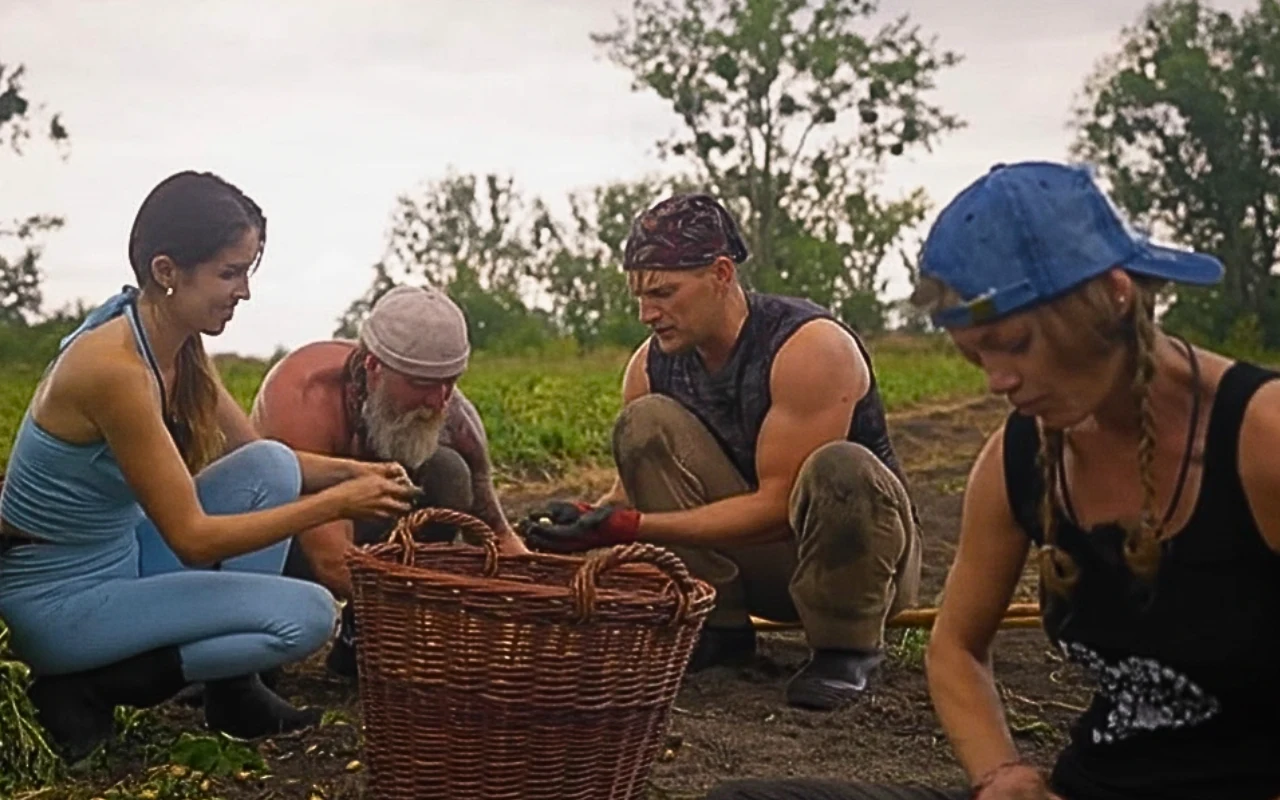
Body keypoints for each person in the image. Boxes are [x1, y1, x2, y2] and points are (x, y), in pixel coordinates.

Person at [707, 161, 1280, 799]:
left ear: (1114, 295)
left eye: (1014, 343)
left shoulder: (1260, 440)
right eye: (977, 354)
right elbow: (954, 648)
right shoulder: (1018, 457)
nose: (996, 379)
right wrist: (1001, 775)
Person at [0, 171, 418, 764]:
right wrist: (337, 506)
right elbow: (194, 539)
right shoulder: (115, 370)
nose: (243, 291)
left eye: (247, 271)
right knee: (307, 617)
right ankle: (83, 685)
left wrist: (352, 473)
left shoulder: (172, 337)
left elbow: (258, 457)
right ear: (167, 271)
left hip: (121, 557)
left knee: (266, 464)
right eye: (230, 272)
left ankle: (233, 690)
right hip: (61, 601)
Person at [520, 193, 922, 712]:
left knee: (840, 468)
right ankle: (718, 625)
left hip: (863, 566)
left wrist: (631, 529)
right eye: (639, 297)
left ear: (721, 273)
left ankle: (846, 646)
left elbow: (779, 510)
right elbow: (630, 494)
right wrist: (586, 519)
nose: (647, 313)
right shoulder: (650, 367)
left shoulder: (808, 346)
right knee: (643, 424)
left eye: (663, 293)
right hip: (764, 570)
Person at [249, 283, 527, 678]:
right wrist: (433, 613)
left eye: (450, 381)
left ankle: (363, 638)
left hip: (362, 530)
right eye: (422, 384)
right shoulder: (306, 400)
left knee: (450, 474)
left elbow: (496, 530)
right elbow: (331, 558)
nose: (438, 401)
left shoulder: (450, 408)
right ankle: (250, 653)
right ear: (374, 367)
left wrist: (536, 598)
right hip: (282, 540)